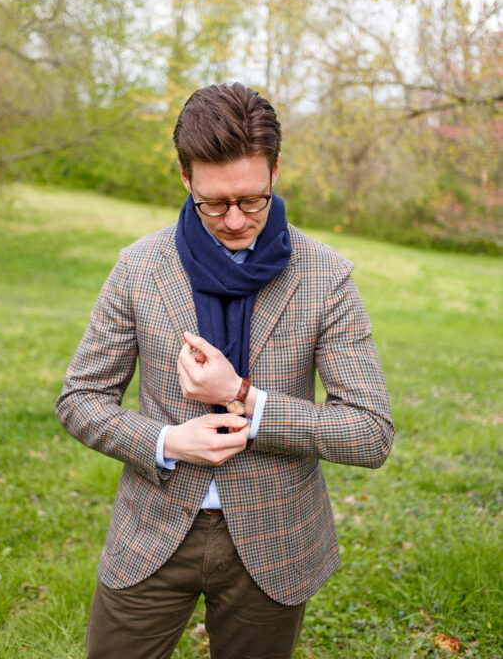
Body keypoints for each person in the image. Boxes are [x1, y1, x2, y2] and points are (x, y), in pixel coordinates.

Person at [56, 82, 394, 659]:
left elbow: (370, 432)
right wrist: (165, 440)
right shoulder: (139, 268)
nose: (236, 220)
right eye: (215, 203)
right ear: (186, 179)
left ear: (275, 171)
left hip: (274, 539)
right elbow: (80, 399)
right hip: (153, 529)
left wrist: (244, 397)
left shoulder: (326, 276)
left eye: (252, 199)